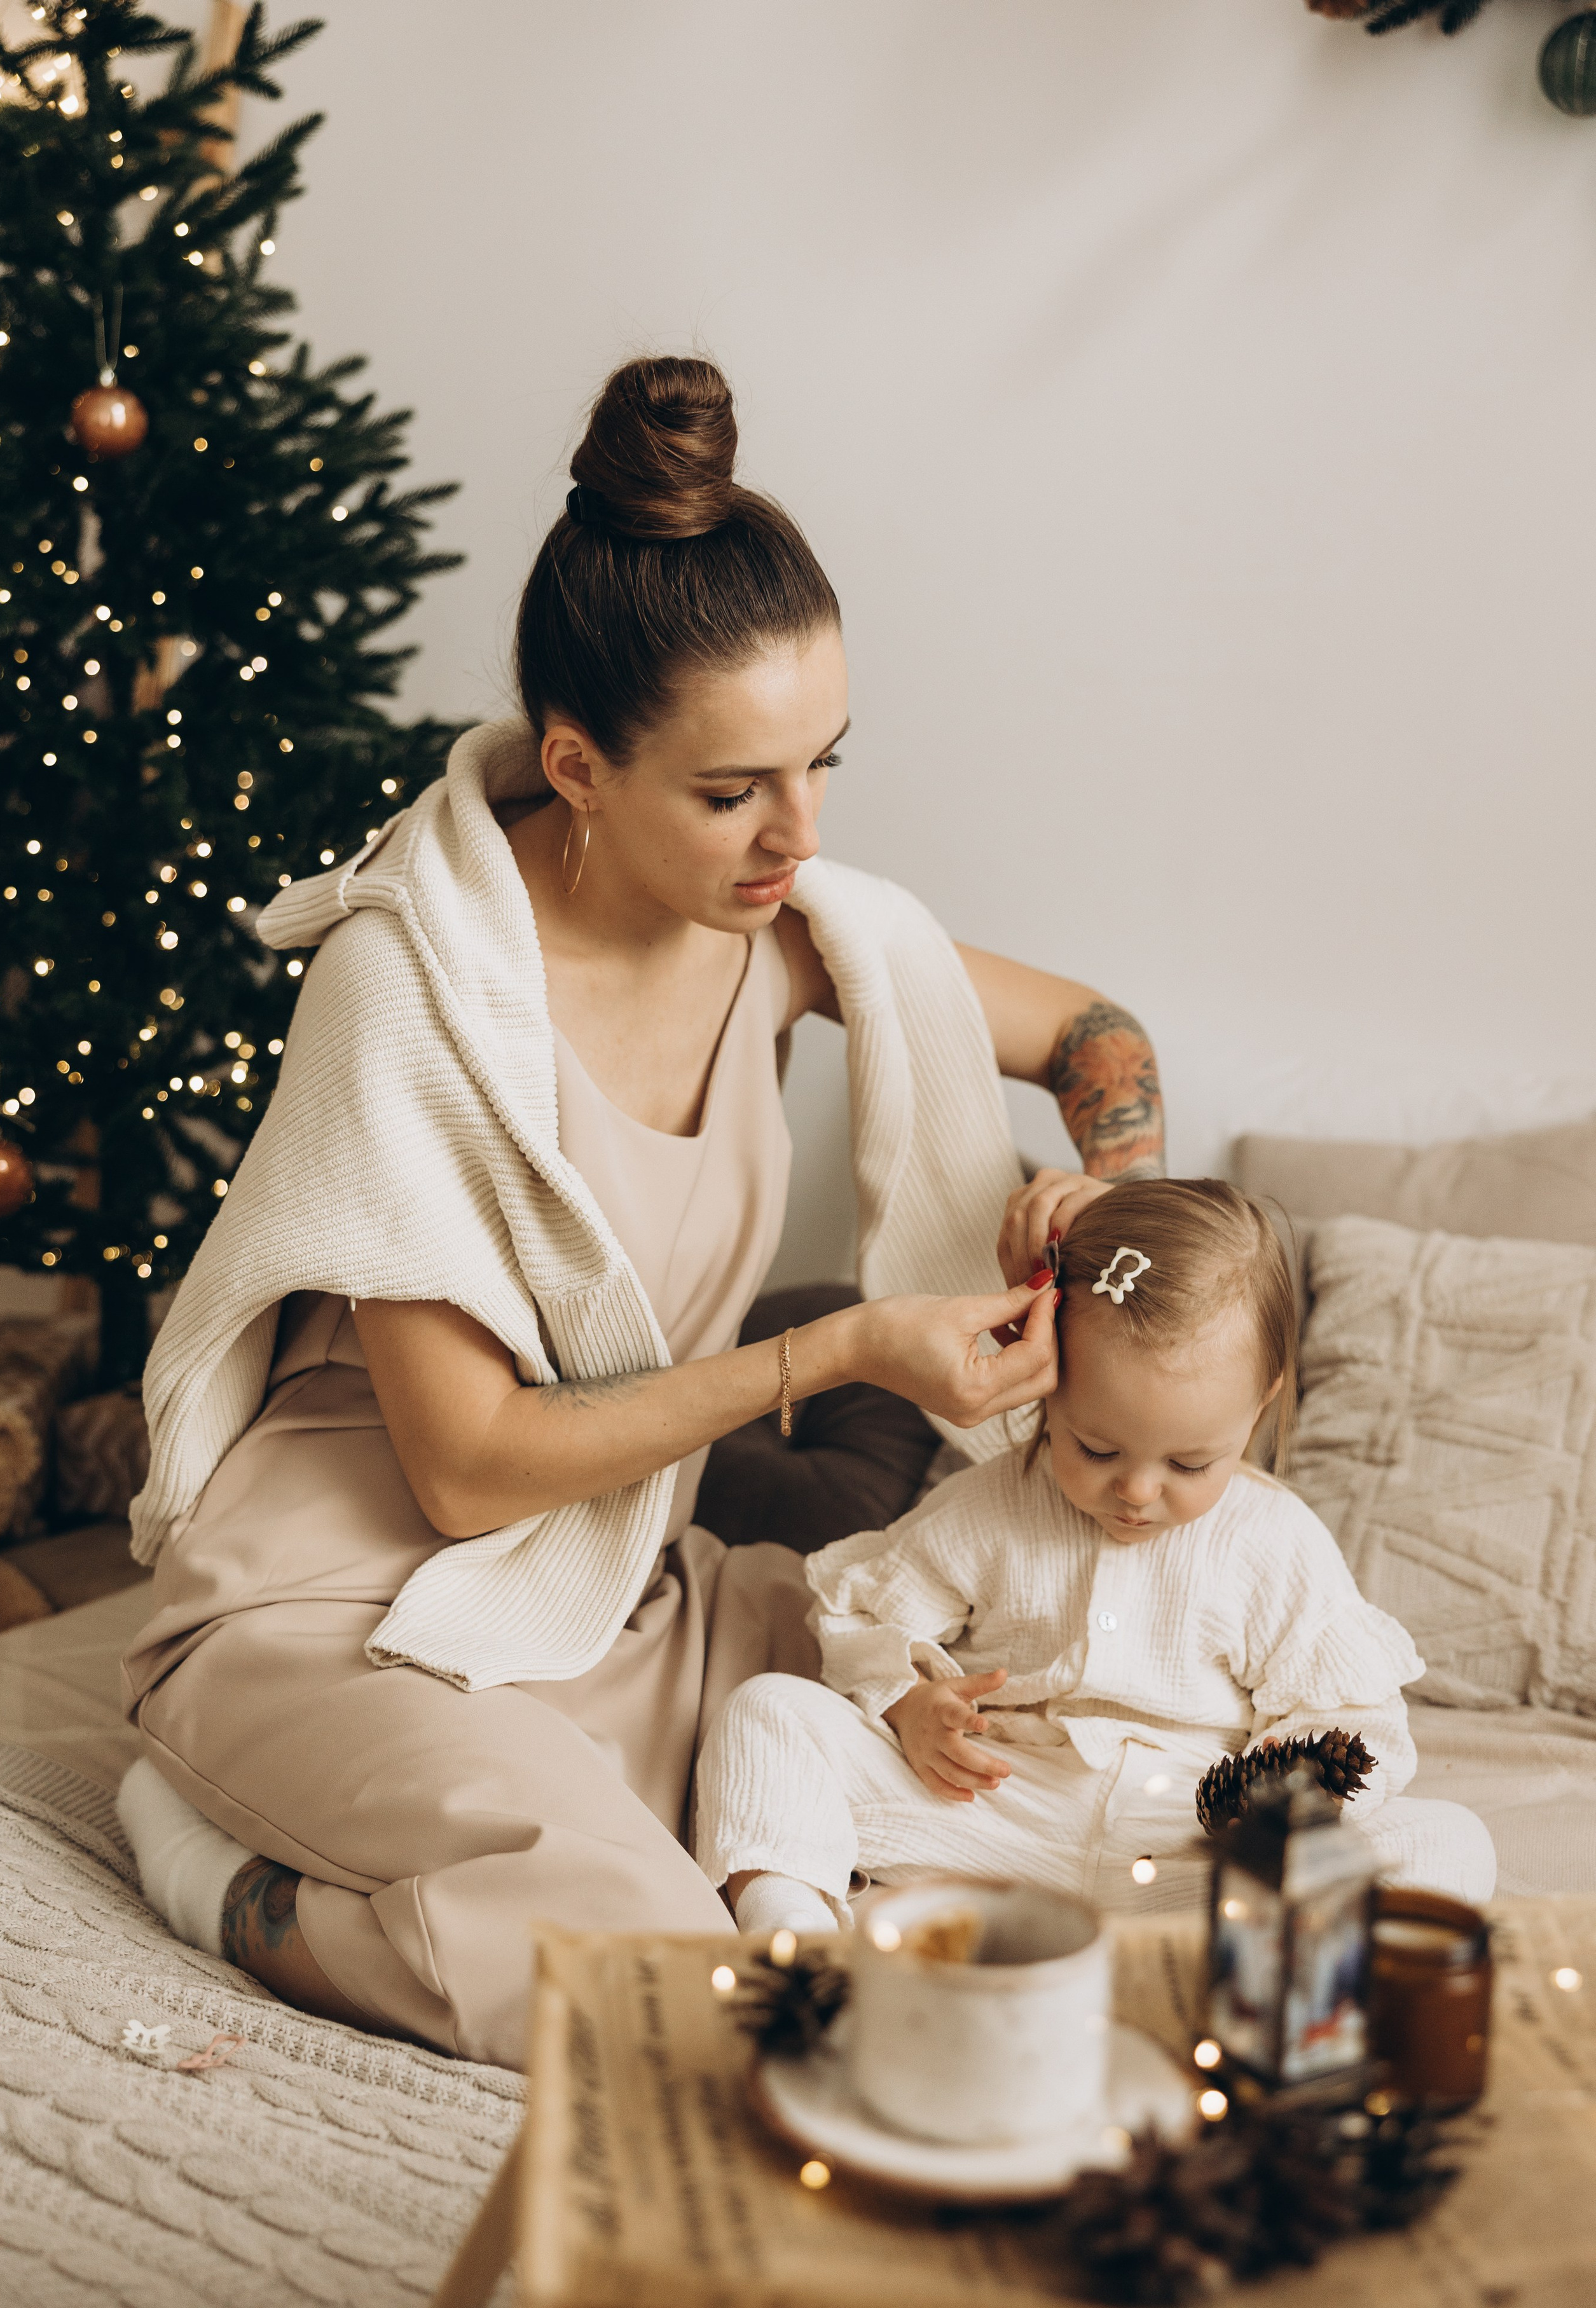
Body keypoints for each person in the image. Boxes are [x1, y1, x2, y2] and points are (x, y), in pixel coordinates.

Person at [114, 357, 1167, 2071]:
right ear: (579, 765)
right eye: (733, 788)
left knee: (992, 1782)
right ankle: (225, 1880)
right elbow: (462, 1470)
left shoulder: (785, 927)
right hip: (341, 1614)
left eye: (824, 762)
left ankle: (541, 1810)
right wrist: (834, 1351)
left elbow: (1094, 1038)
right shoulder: (414, 990)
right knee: (685, 1980)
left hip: (614, 1598)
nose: (798, 837)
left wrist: (1102, 1186)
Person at [696, 1180, 1496, 1934]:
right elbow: (860, 1612)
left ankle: (1253, 1971)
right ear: (1047, 1383)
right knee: (769, 1712)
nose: (1138, 1492)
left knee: (1446, 1840)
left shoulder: (1273, 1543)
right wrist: (908, 1703)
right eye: (1097, 1446)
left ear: (1260, 1405)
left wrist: (1278, 1797)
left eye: (1189, 1464)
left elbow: (1354, 1722)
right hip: (994, 1815)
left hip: (1196, 1853)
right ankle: (793, 1943)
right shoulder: (992, 1506)